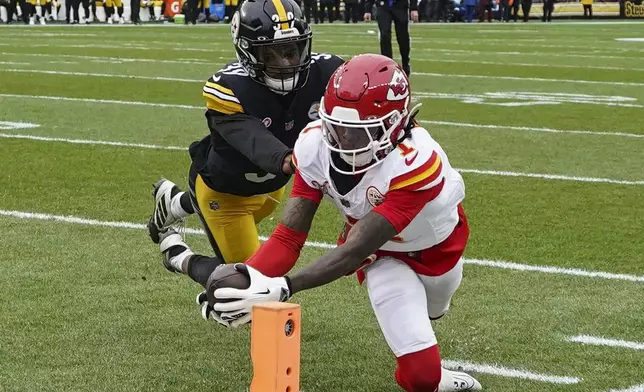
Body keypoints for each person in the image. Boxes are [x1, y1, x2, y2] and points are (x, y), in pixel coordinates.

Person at [180, 54, 482, 392]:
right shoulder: (315, 144)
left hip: (438, 250)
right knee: (423, 379)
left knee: (435, 310)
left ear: (395, 124)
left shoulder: (416, 161)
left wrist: (284, 287)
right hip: (383, 256)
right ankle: (439, 378)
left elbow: (354, 250)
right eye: (335, 127)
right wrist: (245, 279)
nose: (340, 141)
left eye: (357, 132)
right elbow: (288, 237)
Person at [148, 0, 344, 291]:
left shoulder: (326, 71)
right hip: (225, 196)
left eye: (291, 51)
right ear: (247, 52)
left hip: (272, 189)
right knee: (247, 284)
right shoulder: (229, 88)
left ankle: (173, 203)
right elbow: (255, 141)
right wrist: (291, 160)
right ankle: (177, 254)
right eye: (271, 54)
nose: (286, 63)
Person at [364, 0, 417, 76]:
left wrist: (413, 8)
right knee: (385, 34)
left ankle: (405, 63)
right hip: (383, 5)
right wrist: (367, 9)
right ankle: (388, 66)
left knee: (403, 36)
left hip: (400, 5)